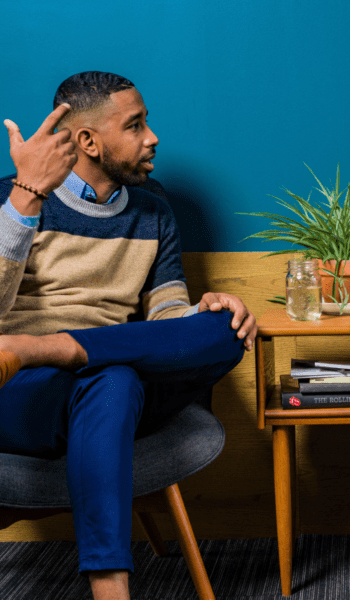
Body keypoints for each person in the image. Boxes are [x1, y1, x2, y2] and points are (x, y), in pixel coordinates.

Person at [0, 71, 258, 600]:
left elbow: (164, 311)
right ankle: (112, 590)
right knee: (114, 378)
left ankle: (57, 347)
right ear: (88, 141)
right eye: (136, 126)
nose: (152, 137)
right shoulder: (13, 198)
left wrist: (198, 314)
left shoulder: (153, 211)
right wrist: (25, 199)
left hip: (105, 378)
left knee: (227, 328)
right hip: (24, 391)